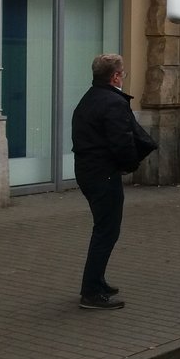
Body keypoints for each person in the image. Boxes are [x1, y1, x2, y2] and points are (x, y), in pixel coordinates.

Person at [71, 53, 157, 310]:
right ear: (115, 76)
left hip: (88, 171)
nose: (123, 78)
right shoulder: (112, 103)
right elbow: (122, 141)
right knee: (106, 231)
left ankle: (97, 281)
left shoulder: (89, 98)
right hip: (103, 173)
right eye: (123, 74)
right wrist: (130, 165)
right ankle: (91, 292)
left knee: (104, 228)